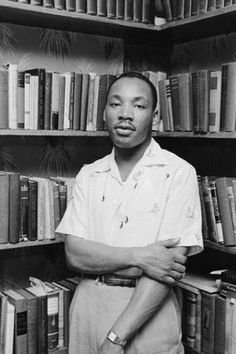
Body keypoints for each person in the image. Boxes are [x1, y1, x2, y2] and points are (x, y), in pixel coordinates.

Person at [56, 72, 203, 354]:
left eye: (138, 105)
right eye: (116, 104)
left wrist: (116, 338)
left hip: (148, 312)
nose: (125, 114)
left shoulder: (178, 173)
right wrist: (140, 256)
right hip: (88, 307)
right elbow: (74, 254)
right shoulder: (90, 173)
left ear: (155, 115)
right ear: (103, 113)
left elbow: (166, 269)